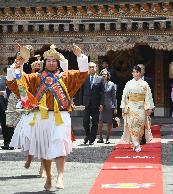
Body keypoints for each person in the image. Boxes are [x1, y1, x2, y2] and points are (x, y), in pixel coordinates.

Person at [6, 44, 89, 191]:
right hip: (41, 117)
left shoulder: (66, 77)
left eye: (54, 60)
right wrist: (18, 63)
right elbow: (15, 82)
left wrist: (80, 57)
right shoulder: (35, 78)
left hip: (61, 116)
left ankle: (60, 177)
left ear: (57, 63)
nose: (51, 63)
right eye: (49, 60)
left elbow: (83, 74)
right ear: (45, 62)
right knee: (45, 148)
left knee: (60, 145)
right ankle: (49, 176)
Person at [120, 65, 154, 152]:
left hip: (141, 108)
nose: (135, 74)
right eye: (134, 72)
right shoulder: (128, 84)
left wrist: (149, 108)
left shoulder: (145, 84)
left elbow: (148, 97)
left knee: (140, 127)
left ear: (140, 73)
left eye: (137, 72)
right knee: (132, 126)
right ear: (132, 73)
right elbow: (124, 96)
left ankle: (136, 142)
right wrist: (123, 106)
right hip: (131, 108)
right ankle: (136, 144)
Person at [81, 62, 104, 145]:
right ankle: (88, 135)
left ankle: (92, 139)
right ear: (88, 68)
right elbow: (81, 92)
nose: (92, 69)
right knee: (85, 121)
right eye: (90, 67)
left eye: (93, 67)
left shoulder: (100, 79)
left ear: (96, 68)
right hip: (86, 104)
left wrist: (101, 104)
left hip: (96, 104)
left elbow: (102, 92)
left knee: (95, 122)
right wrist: (81, 103)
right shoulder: (84, 78)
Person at [97, 69, 117, 144]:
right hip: (100, 106)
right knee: (100, 122)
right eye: (102, 74)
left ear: (108, 75)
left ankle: (107, 138)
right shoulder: (98, 84)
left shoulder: (112, 84)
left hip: (109, 105)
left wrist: (115, 107)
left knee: (109, 123)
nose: (104, 76)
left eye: (105, 74)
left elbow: (114, 97)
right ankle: (100, 137)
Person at [137, 63, 153, 145]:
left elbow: (150, 94)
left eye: (141, 69)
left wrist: (151, 106)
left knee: (144, 121)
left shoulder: (149, 80)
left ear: (144, 71)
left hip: (145, 104)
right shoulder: (132, 81)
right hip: (135, 104)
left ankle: (143, 137)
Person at [0, 69, 14, 150]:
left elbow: (11, 91)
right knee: (5, 124)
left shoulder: (7, 79)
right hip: (4, 104)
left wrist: (3, 93)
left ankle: (10, 143)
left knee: (7, 124)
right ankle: (7, 143)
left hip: (6, 104)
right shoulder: (3, 79)